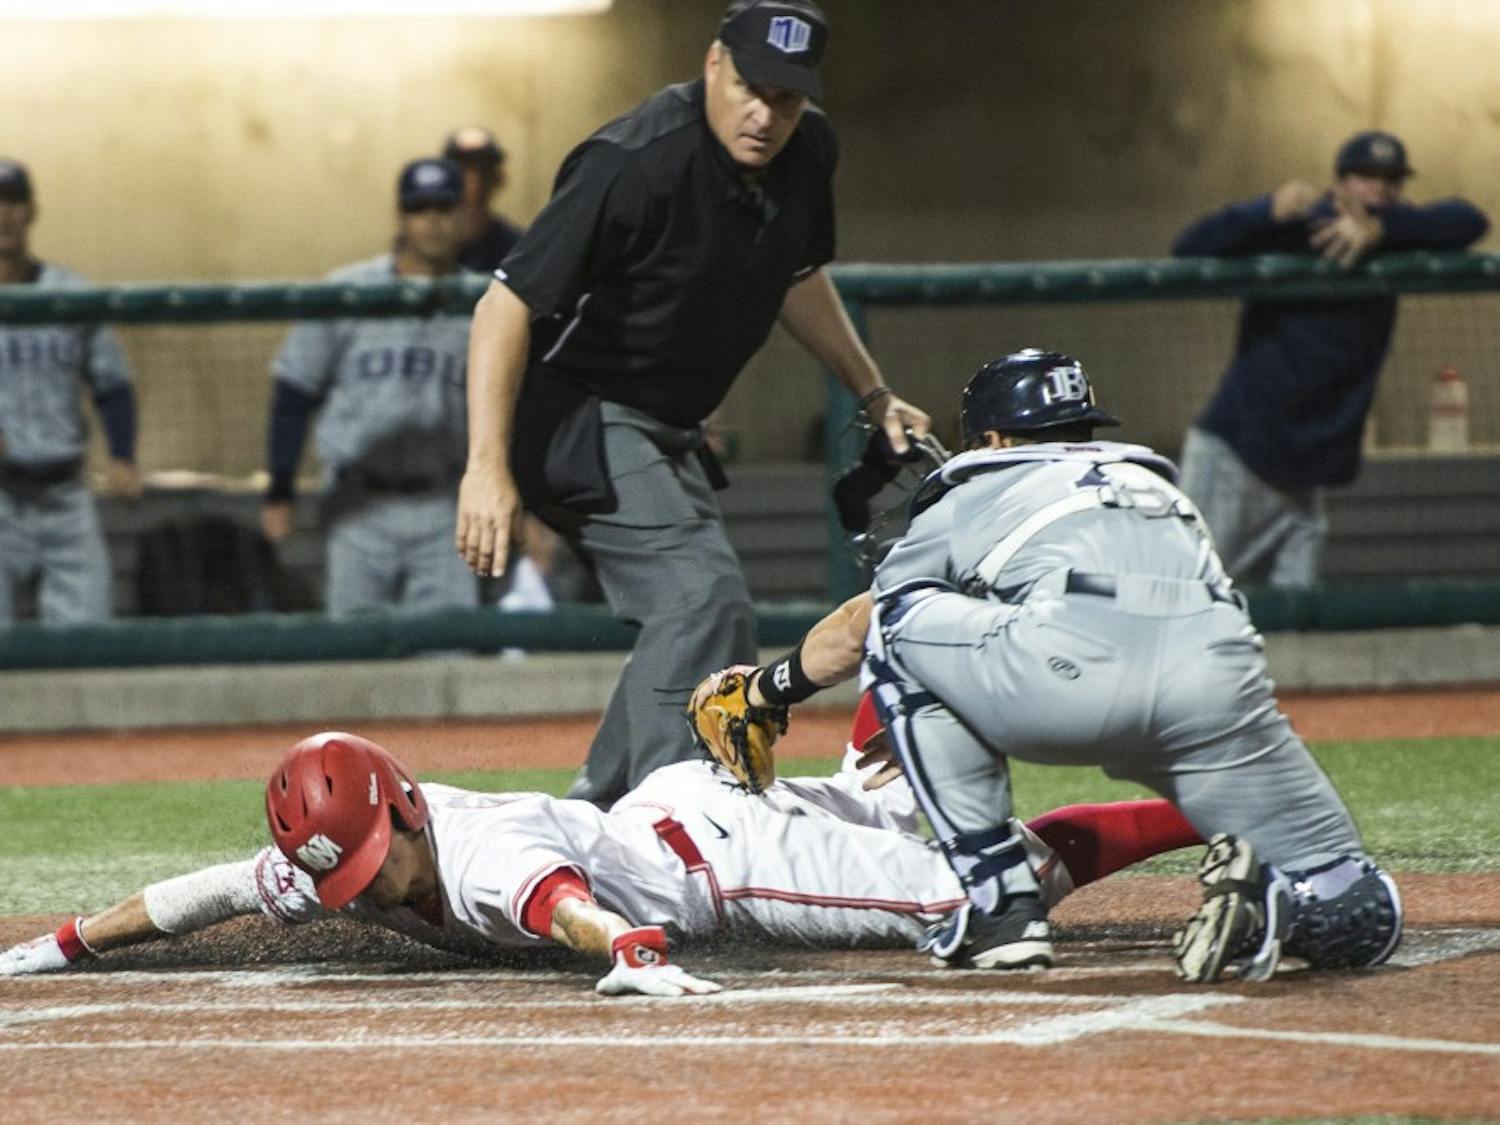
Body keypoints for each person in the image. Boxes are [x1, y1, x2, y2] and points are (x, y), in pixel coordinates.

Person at [696, 348, 1405, 982]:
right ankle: (1286, 896)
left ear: (995, 439)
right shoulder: (1157, 483)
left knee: (899, 623)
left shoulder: (973, 486)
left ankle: (1002, 907)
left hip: (1070, 673)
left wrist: (766, 690)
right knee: (1357, 908)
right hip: (1220, 681)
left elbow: (863, 625)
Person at [455, 0, 931, 805]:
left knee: (712, 625)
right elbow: (503, 305)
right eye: (749, 87)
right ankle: (667, 819)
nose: (764, 113)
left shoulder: (809, 150)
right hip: (576, 415)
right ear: (713, 64)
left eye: (786, 98)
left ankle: (596, 814)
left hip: (663, 426)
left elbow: (797, 275)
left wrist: (872, 389)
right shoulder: (632, 160)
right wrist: (485, 468)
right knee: (700, 600)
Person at [0, 701, 1205, 989]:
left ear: (405, 807)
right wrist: (50, 949)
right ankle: (893, 680)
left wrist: (624, 950)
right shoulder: (331, 850)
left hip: (713, 860)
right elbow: (196, 895)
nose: (373, 886)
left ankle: (1211, 805)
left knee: (969, 891)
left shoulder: (469, 852)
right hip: (678, 818)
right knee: (881, 796)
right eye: (349, 875)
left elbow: (557, 902)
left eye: (377, 859)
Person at [1172, 130, 1489, 587]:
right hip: (1241, 456)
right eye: (1365, 175)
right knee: (1187, 599)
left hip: (1306, 475)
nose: (1378, 188)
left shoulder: (1395, 234)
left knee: (1293, 629)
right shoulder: (1300, 226)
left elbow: (1470, 220)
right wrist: (1265, 209)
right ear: (1339, 181)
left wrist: (1385, 229)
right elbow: (1189, 248)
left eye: (1391, 179)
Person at [260, 157, 480, 617]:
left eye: (444, 208)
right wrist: (280, 490)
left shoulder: (484, 302)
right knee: (355, 652)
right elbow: (293, 392)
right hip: (357, 505)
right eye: (420, 209)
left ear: (463, 215)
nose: (433, 221)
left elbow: (516, 410)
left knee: (447, 653)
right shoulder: (347, 291)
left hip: (445, 504)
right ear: (401, 216)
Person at [0, 157, 141, 626]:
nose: (4, 214)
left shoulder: (68, 292)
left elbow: (112, 383)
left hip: (63, 494)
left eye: (14, 202)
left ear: (32, 212)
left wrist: (122, 455)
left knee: (86, 646)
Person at [442, 124, 525, 274]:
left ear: (498, 177)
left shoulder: (517, 249)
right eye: (463, 168)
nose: (473, 180)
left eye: (483, 168)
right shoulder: (427, 244)